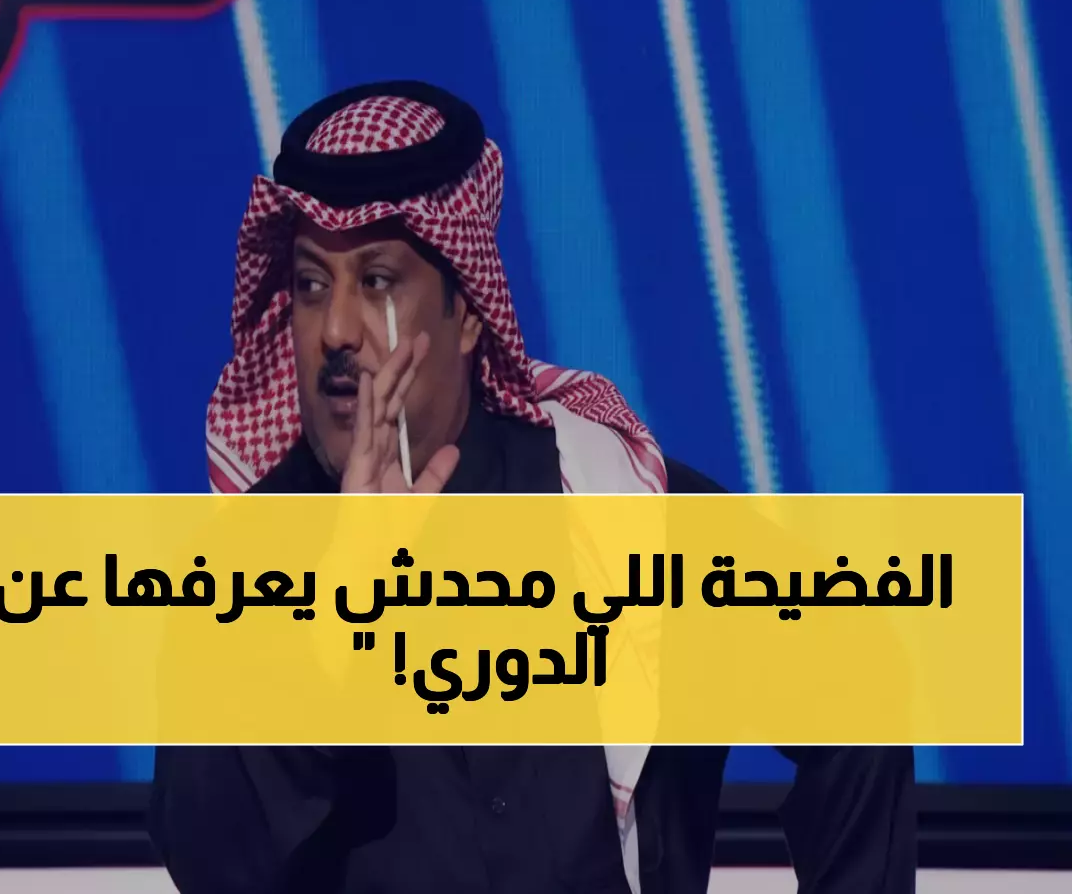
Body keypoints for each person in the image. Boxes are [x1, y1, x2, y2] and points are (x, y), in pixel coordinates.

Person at [149, 81, 916, 894]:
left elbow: (858, 685)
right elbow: (206, 859)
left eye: (376, 282)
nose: (336, 330)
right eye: (311, 285)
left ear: (468, 313)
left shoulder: (615, 506)